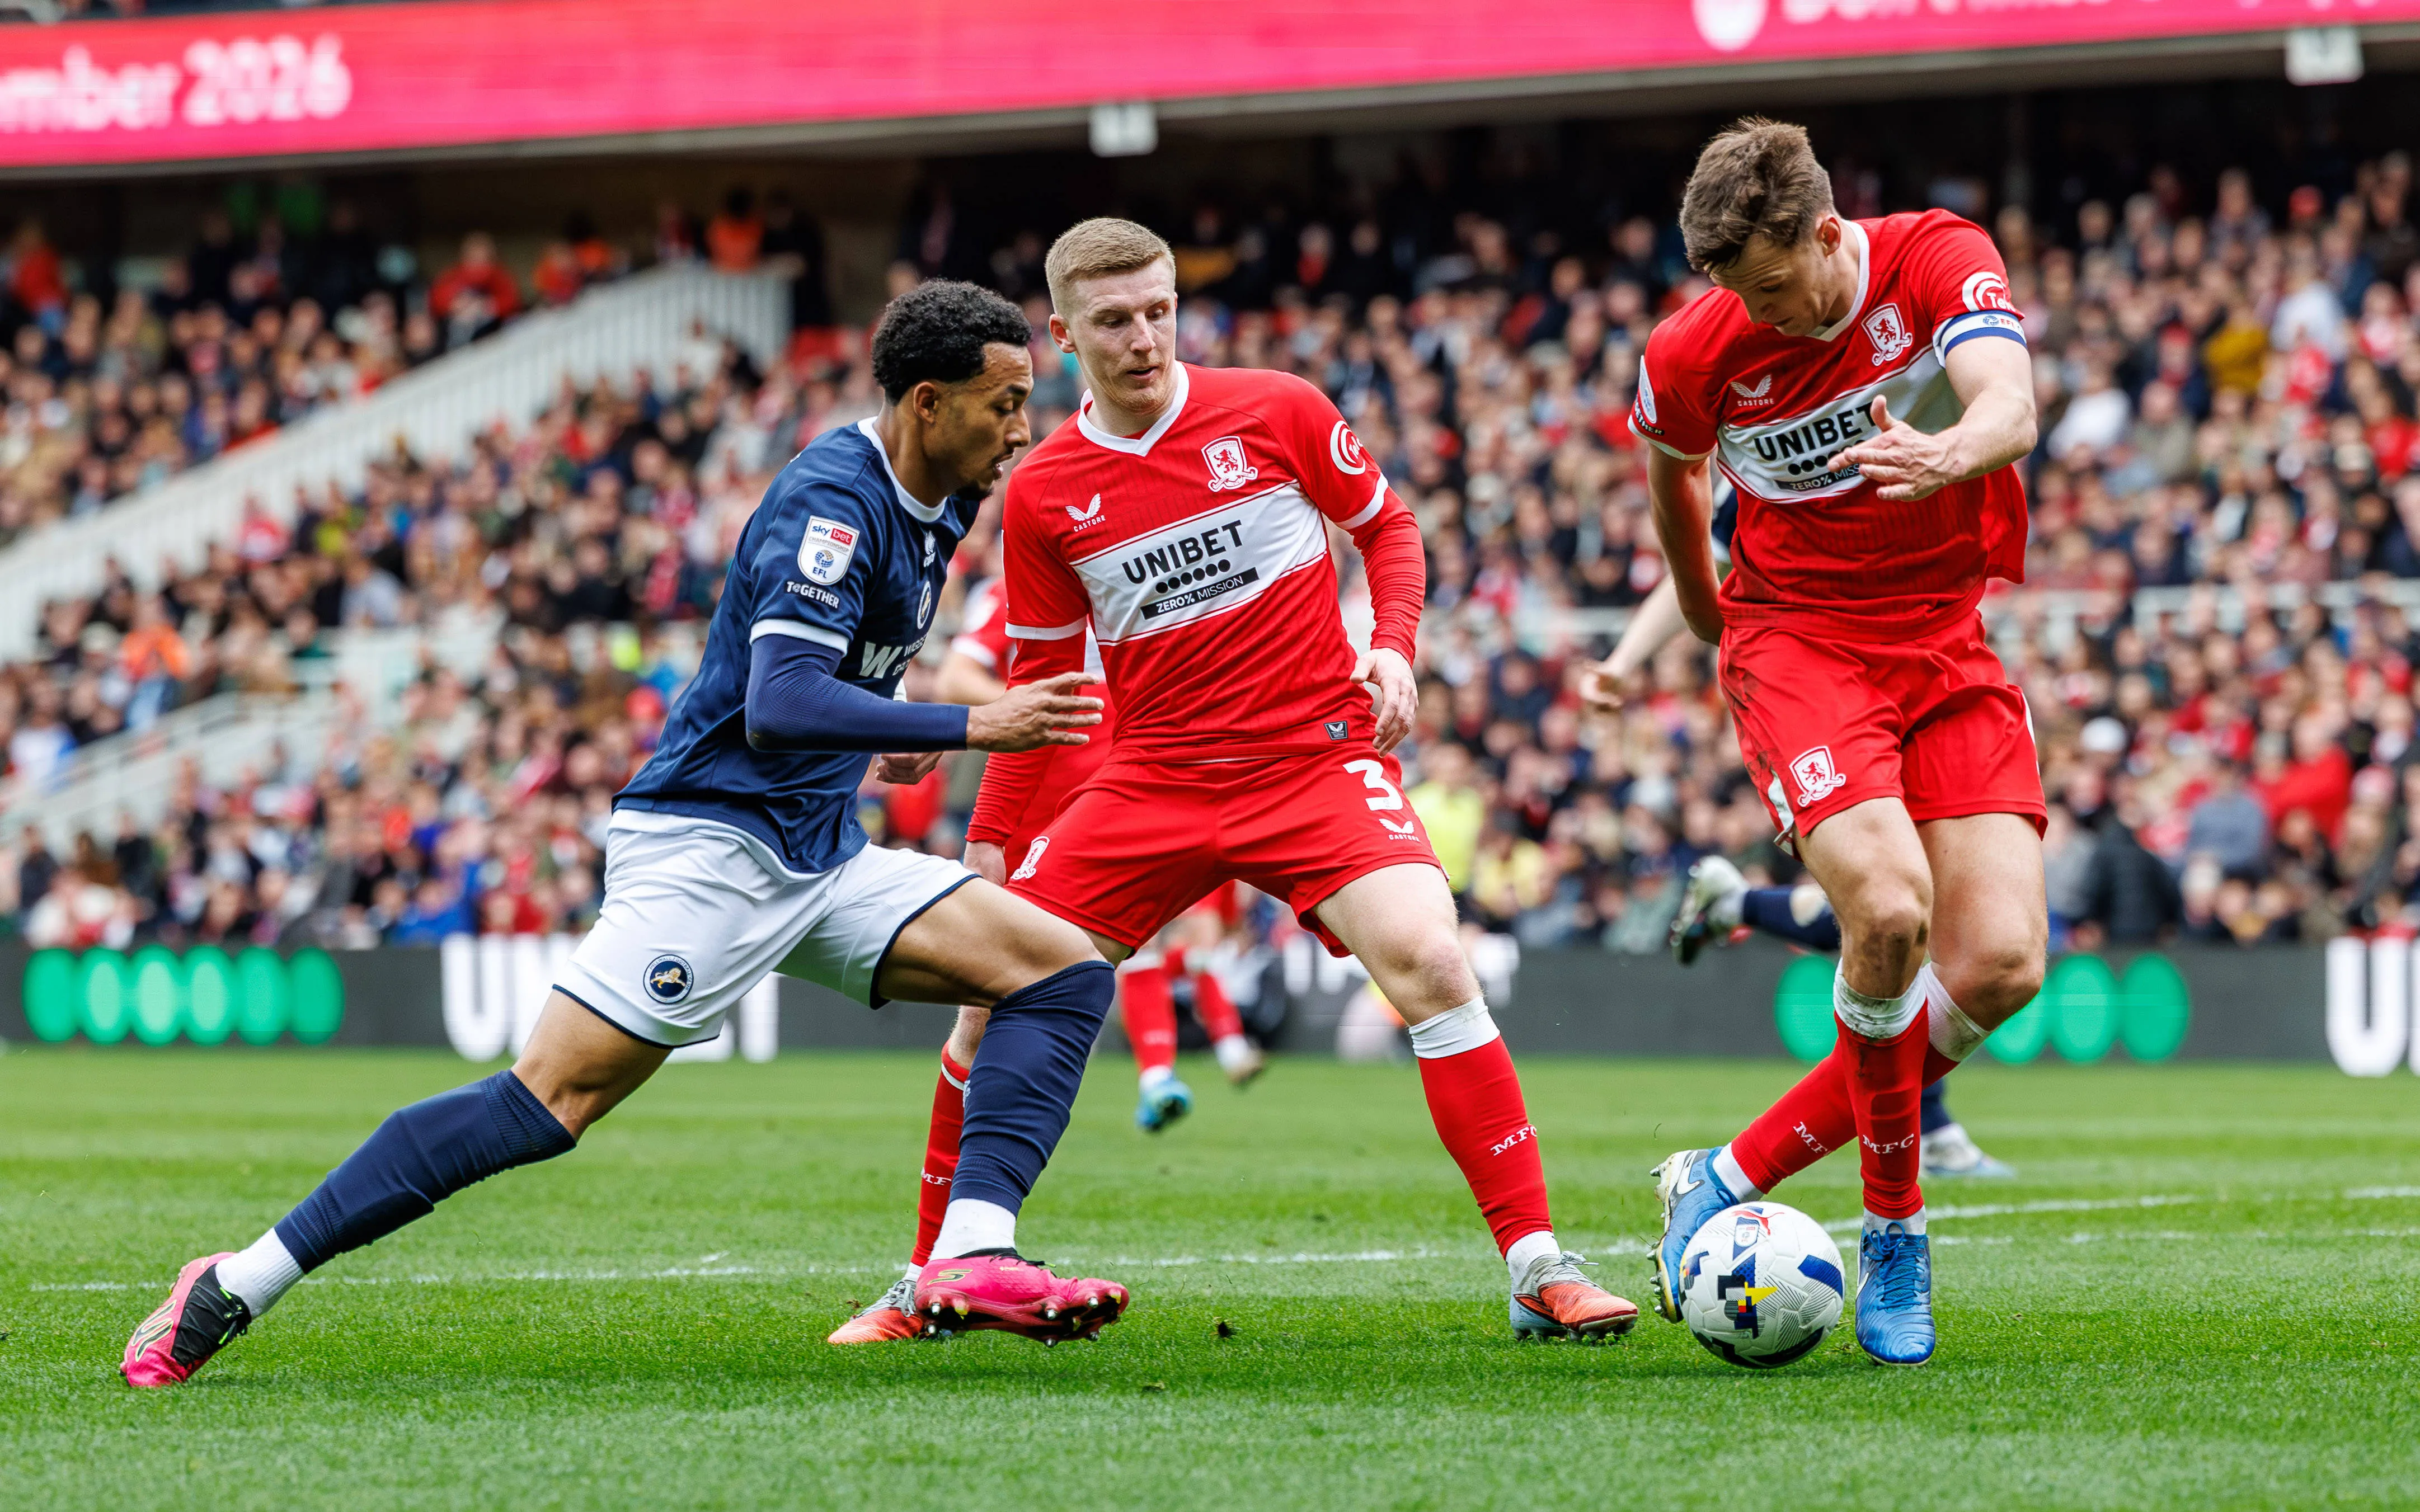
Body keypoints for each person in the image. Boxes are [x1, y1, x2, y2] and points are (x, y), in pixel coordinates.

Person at [121, 281, 1136, 1388]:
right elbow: (778, 703)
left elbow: (832, 673)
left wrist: (885, 727)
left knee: (1057, 972)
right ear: (928, 403)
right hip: (712, 848)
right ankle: (236, 1279)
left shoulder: (939, 498)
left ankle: (970, 1252)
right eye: (1004, 403)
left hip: (815, 850)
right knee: (545, 1104)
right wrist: (967, 722)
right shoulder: (834, 503)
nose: (1022, 428)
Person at [830, 218, 1636, 1349]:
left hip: (1312, 758)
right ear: (1064, 335)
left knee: (1432, 957)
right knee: (990, 990)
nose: (1144, 337)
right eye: (1114, 320)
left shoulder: (1275, 408)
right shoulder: (1048, 488)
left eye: (1159, 310)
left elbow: (1388, 528)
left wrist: (1392, 647)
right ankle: (931, 1279)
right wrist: (992, 843)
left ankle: (1537, 1264)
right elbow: (1041, 685)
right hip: (1151, 777)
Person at [1615, 120, 2045, 1365]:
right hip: (1799, 641)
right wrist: (1701, 609)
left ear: (1823, 232)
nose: (1756, 313)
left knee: (2002, 962)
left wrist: (1947, 453)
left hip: (1945, 636)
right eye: (1733, 294)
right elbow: (1670, 470)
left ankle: (1727, 1170)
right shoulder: (1694, 346)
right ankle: (1895, 1229)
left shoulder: (1932, 258)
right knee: (1889, 908)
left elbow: (2009, 401)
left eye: (1769, 285)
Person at [1590, 506, 2014, 1180]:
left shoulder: (1922, 446)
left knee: (1919, 918)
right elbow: (1703, 557)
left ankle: (1739, 905)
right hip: (1821, 693)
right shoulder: (1777, 465)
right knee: (1892, 909)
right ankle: (1923, 1127)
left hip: (1927, 678)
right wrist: (1622, 660)